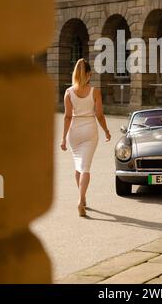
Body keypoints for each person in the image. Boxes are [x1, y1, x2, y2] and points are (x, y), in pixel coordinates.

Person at [61, 58, 111, 217]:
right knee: (85, 167)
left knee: (78, 166)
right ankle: (81, 199)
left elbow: (67, 117)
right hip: (90, 129)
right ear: (89, 74)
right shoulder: (95, 91)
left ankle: (82, 198)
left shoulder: (68, 92)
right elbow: (100, 115)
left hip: (74, 131)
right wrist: (106, 131)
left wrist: (63, 138)